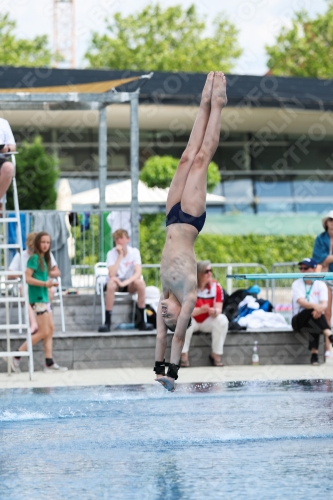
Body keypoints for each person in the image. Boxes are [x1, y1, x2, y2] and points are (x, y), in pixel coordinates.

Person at [154, 71, 227, 391]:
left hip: (172, 218)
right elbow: (175, 335)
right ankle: (218, 106)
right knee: (201, 160)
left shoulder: (164, 292)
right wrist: (171, 373)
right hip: (191, 220)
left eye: (162, 312)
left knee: (185, 157)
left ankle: (202, 103)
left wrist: (157, 370)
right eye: (165, 314)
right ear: (176, 313)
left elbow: (160, 335)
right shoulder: (186, 295)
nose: (161, 310)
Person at [10, 231, 67, 373]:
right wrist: (45, 284)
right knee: (43, 331)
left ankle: (49, 362)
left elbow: (49, 274)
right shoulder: (35, 258)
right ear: (37, 243)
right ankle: (17, 354)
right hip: (38, 298)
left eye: (48, 242)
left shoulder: (43, 257)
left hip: (44, 297)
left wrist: (50, 284)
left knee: (50, 329)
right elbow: (27, 278)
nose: (46, 245)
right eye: (43, 242)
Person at [98, 228, 153, 332]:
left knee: (140, 283)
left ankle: (142, 322)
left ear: (128, 239)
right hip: (116, 284)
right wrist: (120, 256)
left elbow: (138, 272)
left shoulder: (134, 252)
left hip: (128, 284)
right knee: (111, 284)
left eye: (120, 238)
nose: (118, 241)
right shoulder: (111, 254)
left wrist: (124, 282)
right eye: (116, 239)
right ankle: (107, 322)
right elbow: (112, 274)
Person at [8, 232, 61, 334]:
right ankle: (34, 322)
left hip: (43, 286)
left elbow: (57, 271)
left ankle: (40, 320)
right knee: (25, 291)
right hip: (30, 287)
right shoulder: (24, 256)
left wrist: (43, 272)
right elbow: (11, 274)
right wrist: (24, 274)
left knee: (49, 291)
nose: (32, 252)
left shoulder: (45, 255)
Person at [180, 260, 228, 367]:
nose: (209, 273)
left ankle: (216, 354)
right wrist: (200, 310)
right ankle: (184, 354)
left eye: (211, 271)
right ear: (198, 273)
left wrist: (214, 312)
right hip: (193, 320)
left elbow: (219, 308)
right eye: (206, 271)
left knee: (222, 319)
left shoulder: (216, 286)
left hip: (208, 321)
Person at [291, 258, 333, 366]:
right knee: (311, 311)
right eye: (301, 268)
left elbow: (325, 304)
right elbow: (302, 302)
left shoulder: (320, 284)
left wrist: (317, 309)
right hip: (298, 320)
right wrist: (316, 308)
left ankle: (314, 356)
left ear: (314, 269)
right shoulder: (296, 283)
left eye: (306, 268)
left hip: (314, 319)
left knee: (314, 320)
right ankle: (330, 334)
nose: (302, 270)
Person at [312, 210, 333, 357]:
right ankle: (328, 348)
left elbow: (323, 259)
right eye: (331, 220)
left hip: (327, 272)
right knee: (327, 312)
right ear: (326, 222)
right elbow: (318, 259)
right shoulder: (320, 238)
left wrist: (327, 259)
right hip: (326, 277)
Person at [0, 118, 16, 210]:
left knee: (9, 167)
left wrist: (6, 149)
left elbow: (12, 147)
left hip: (0, 159)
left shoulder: (3, 123)